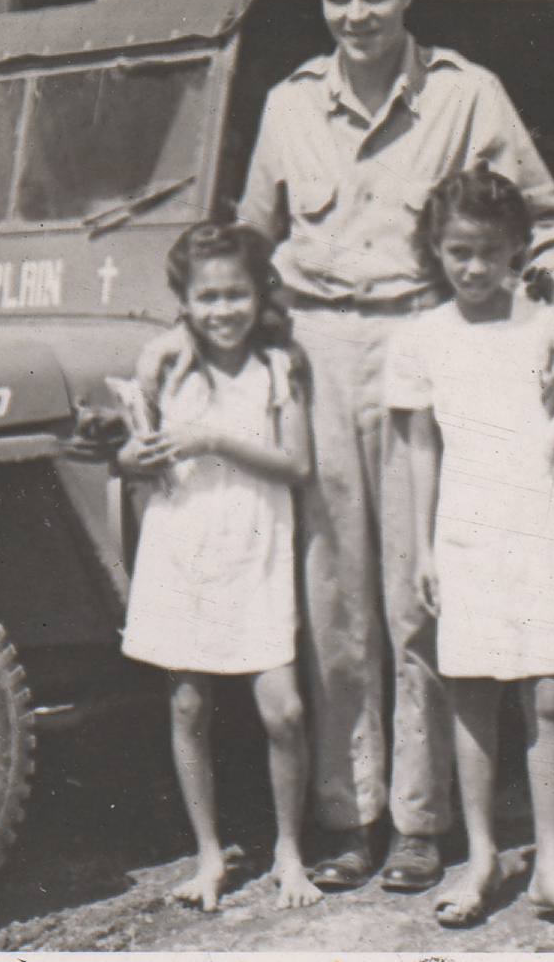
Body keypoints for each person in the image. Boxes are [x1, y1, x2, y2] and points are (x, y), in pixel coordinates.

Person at [140, 0, 554, 893]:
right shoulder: (291, 102)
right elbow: (248, 241)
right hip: (312, 349)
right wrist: (183, 329)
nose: (355, 14)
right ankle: (353, 814)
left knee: (418, 584)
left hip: (425, 346)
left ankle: (424, 822)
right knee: (331, 590)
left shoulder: (468, 95)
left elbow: (546, 220)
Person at [385, 169, 554, 944]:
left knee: (551, 695)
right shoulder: (422, 336)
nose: (471, 267)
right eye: (457, 251)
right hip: (467, 527)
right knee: (471, 695)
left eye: (488, 252)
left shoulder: (544, 330)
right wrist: (423, 546)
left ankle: (553, 869)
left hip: (541, 520)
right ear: (435, 249)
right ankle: (482, 856)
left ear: (516, 250)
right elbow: (421, 446)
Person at [117, 221, 325, 914]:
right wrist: (130, 459)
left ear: (259, 294)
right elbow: (132, 451)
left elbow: (296, 464)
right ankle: (209, 852)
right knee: (188, 703)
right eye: (208, 296)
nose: (223, 310)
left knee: (285, 711)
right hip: (185, 549)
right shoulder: (162, 363)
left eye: (236, 294)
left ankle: (289, 849)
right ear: (184, 300)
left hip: (256, 549)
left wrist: (213, 438)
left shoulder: (277, 367)